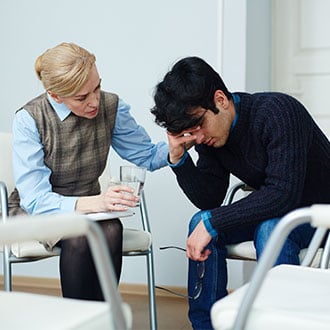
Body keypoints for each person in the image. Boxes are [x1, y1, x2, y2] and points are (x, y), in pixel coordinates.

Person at [151, 56, 330, 329]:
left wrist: (214, 221)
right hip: (279, 210)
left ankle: (279, 323)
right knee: (200, 220)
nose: (196, 138)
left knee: (269, 227)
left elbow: (283, 193)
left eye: (197, 126)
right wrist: (179, 160)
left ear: (220, 99)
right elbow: (210, 198)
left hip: (321, 213)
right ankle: (206, 325)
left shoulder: (278, 112)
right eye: (188, 133)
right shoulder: (211, 138)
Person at [9, 42, 168, 301]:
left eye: (97, 87)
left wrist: (175, 147)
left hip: (92, 210)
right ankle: (80, 320)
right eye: (82, 97)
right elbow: (36, 200)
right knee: (82, 235)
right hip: (37, 210)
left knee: (110, 229)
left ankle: (103, 317)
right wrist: (98, 201)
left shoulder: (111, 106)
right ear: (55, 95)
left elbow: (146, 155)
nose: (95, 101)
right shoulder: (30, 119)